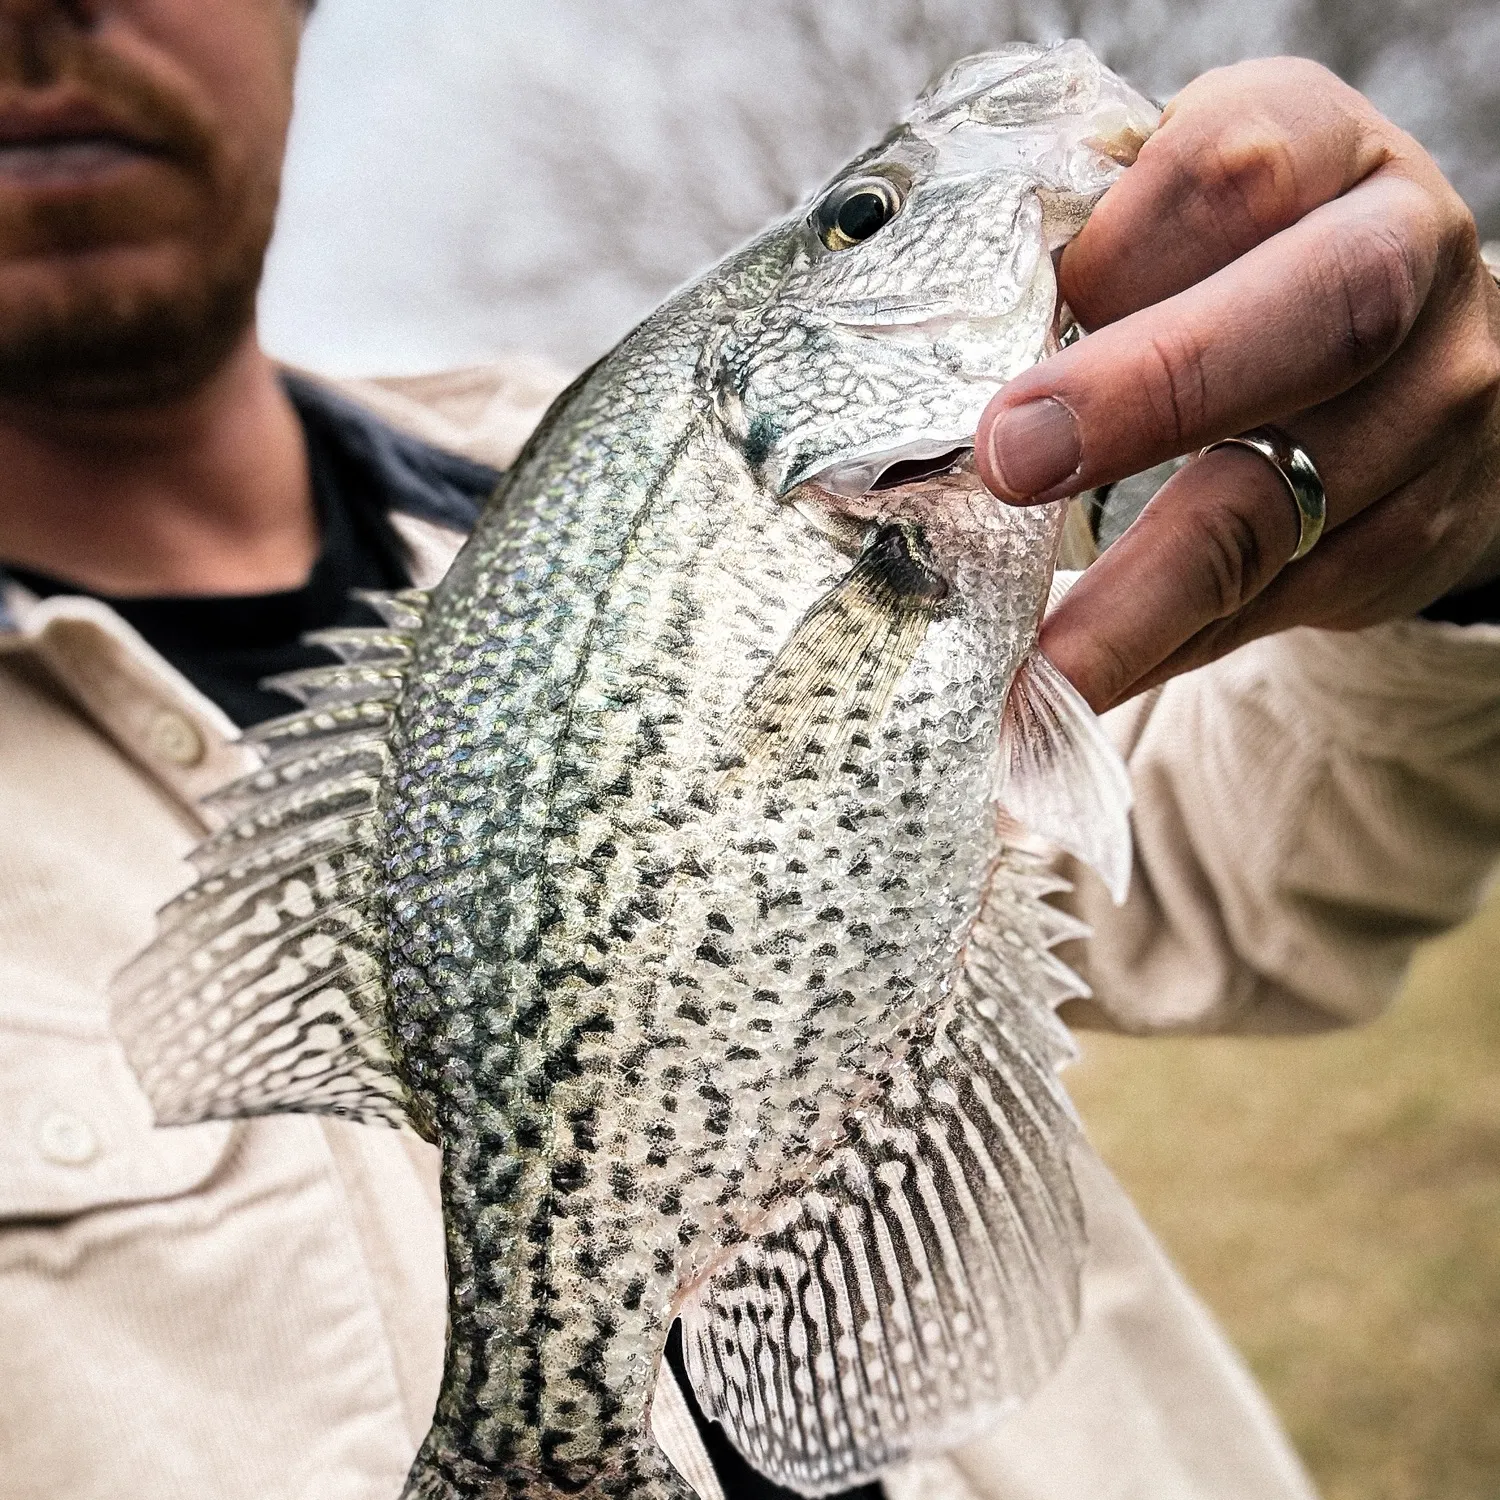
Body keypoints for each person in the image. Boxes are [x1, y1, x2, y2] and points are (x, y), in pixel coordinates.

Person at [0, 6, 1494, 1500]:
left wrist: (1444, 540)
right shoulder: (628, 510)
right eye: (868, 220)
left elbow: (1228, 877)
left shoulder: (546, 489)